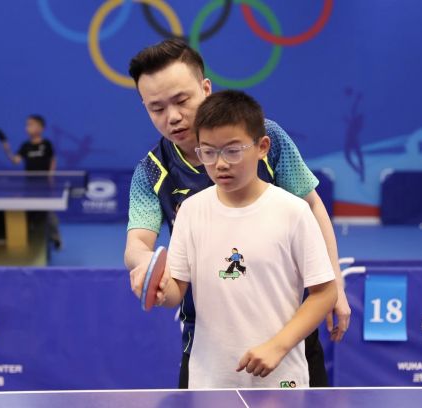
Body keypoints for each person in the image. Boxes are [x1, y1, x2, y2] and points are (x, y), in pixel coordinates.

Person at [124, 39, 350, 388]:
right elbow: (138, 244)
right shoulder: (152, 171)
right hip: (208, 340)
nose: (172, 117)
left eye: (181, 100)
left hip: (288, 330)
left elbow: (311, 206)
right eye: (156, 108)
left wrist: (335, 286)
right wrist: (149, 269)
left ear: (205, 88)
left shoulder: (263, 135)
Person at [153, 90, 337, 388]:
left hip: (281, 379)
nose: (220, 164)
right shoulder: (189, 211)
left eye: (232, 151)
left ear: (262, 147)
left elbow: (325, 293)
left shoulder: (294, 212)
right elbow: (176, 291)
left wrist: (277, 346)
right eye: (208, 152)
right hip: (210, 380)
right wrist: (159, 289)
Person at [0, 114, 61, 249]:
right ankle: (30, 236)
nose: (27, 127)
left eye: (30, 124)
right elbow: (15, 161)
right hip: (30, 185)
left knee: (48, 212)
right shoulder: (25, 146)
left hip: (44, 184)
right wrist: (6, 148)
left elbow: (53, 160)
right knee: (30, 211)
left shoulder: (46, 144)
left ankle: (55, 237)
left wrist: (51, 176)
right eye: (27, 125)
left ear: (40, 128)